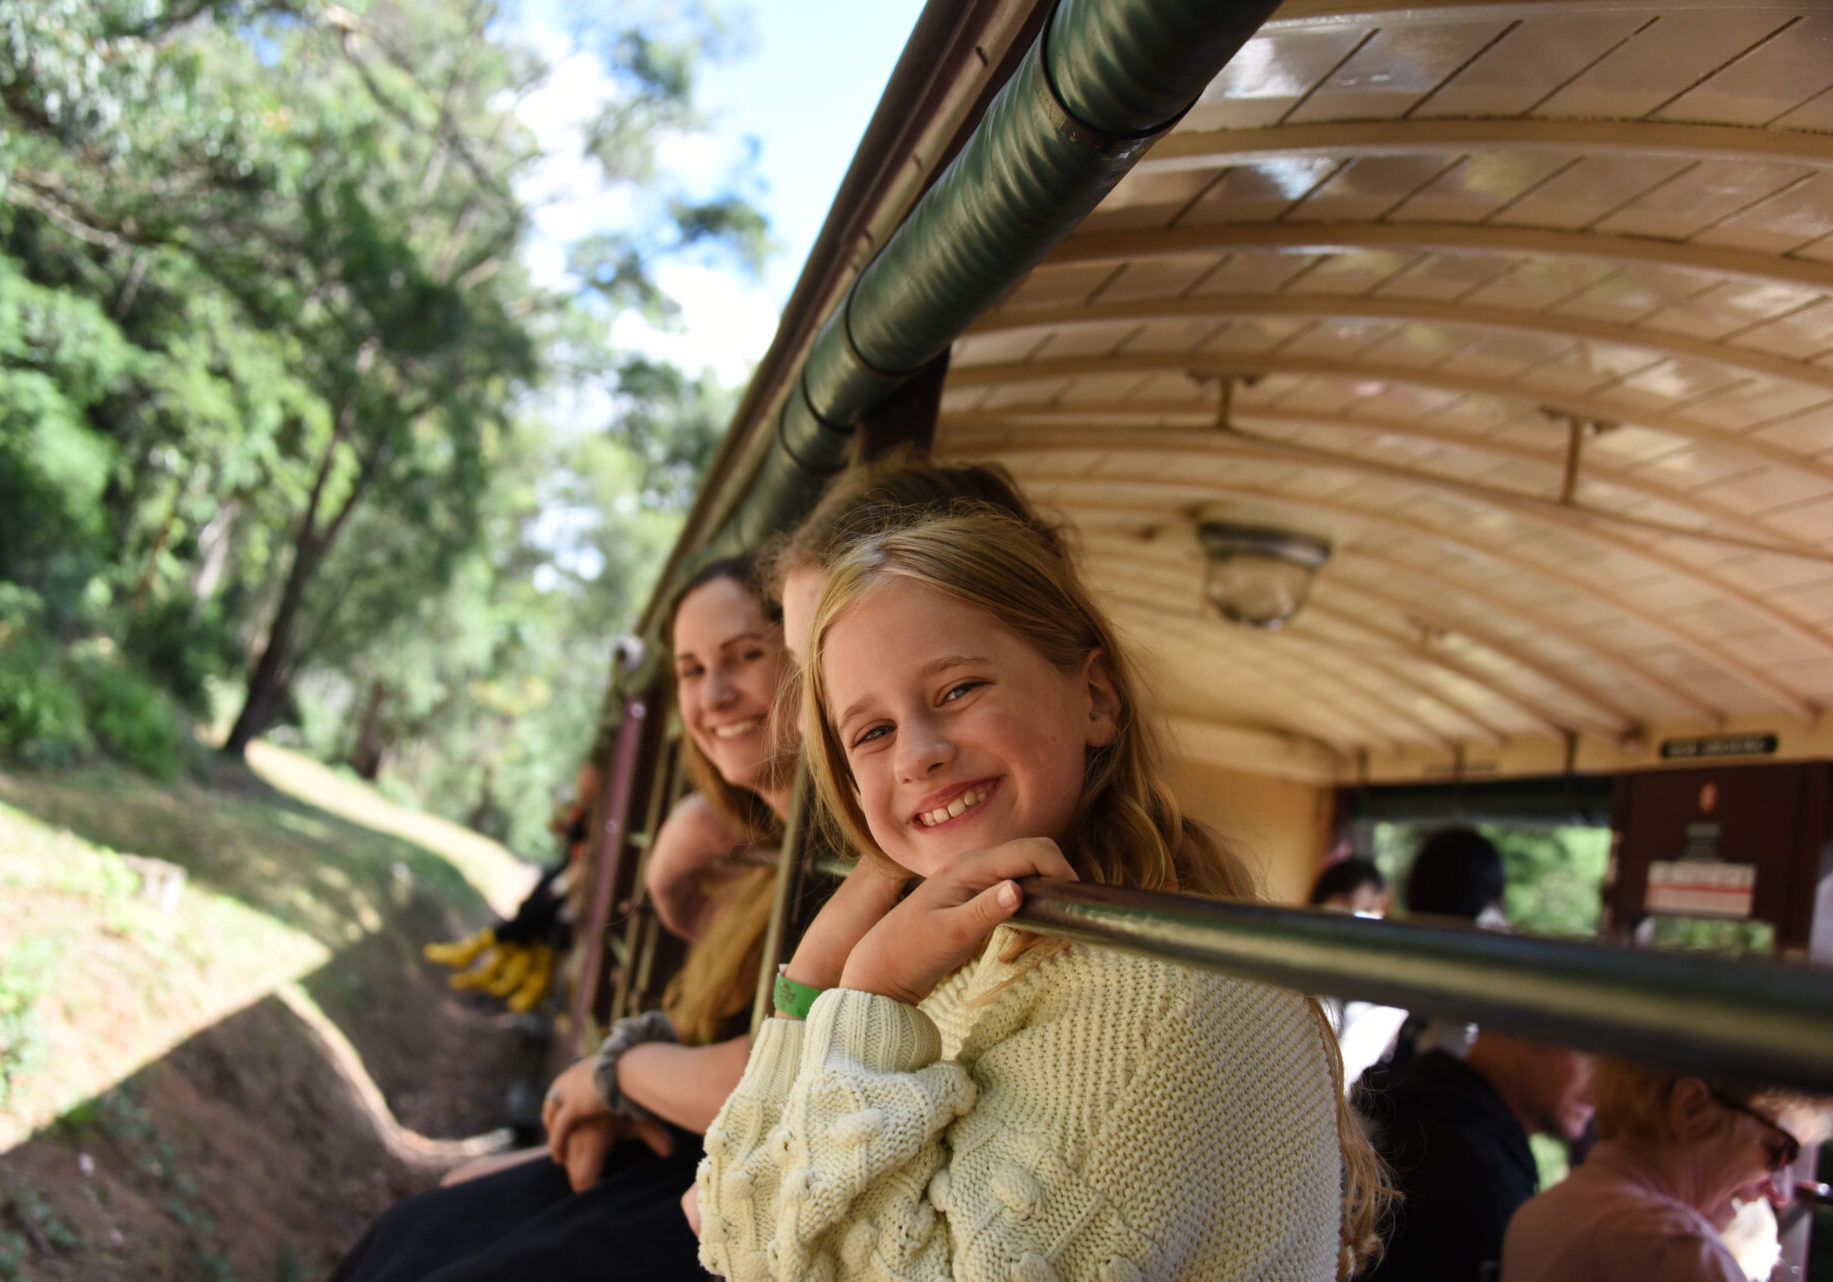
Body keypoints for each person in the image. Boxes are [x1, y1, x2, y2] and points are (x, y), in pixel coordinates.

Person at [692, 508, 1389, 1281]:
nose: (919, 754)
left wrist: (868, 1003)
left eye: (957, 689)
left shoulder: (1165, 1001)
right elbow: (727, 1230)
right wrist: (811, 990)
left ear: (1094, 698)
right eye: (872, 733)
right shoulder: (968, 948)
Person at [329, 555, 793, 1282]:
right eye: (692, 670)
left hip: (741, 1191)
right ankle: (493, 959)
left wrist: (617, 1071)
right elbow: (740, 1018)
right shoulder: (753, 847)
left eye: (745, 656)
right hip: (690, 1149)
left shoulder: (851, 849)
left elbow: (780, 1074)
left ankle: (500, 962)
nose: (716, 694)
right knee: (412, 1229)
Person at [1501, 1058, 1831, 1282]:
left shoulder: (1543, 1213)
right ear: (1691, 1107)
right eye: (1780, 1152)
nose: (1780, 1192)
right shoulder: (1673, 1251)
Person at [1359, 1032, 1593, 1282]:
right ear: (1516, 1027)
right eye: (1589, 1054)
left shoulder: (1423, 1110)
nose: (1598, 1086)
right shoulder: (1473, 1172)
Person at [1307, 857, 1405, 1086]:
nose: (1359, 918)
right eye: (1346, 904)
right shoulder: (1302, 970)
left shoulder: (1386, 990)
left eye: (1371, 910)